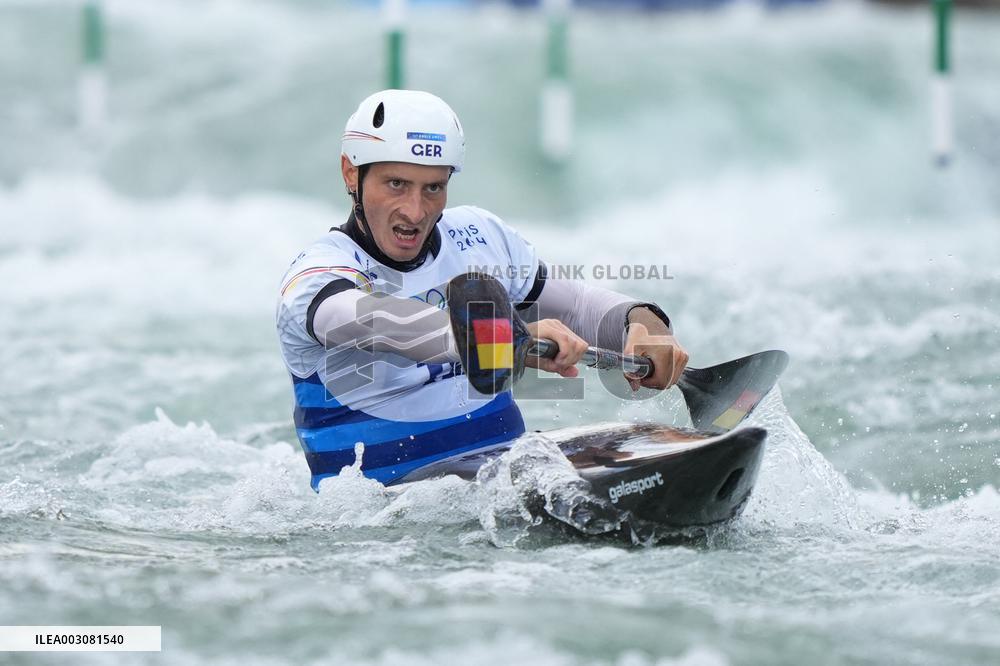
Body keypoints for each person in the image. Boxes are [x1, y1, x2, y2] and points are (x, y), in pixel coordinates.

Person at [276, 89, 689, 490]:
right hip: (392, 512)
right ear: (351, 172)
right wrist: (508, 338)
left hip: (502, 475)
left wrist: (643, 322)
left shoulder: (479, 235)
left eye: (433, 187)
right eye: (396, 184)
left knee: (652, 441)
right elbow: (381, 325)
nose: (415, 211)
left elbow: (578, 305)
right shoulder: (316, 279)